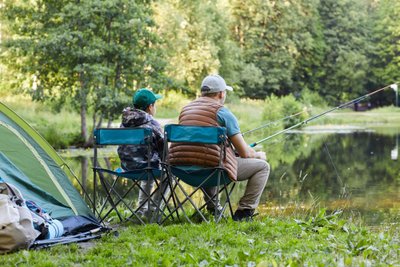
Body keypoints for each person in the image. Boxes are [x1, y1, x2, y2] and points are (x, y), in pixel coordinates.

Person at [169, 74, 270, 221]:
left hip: (182, 170)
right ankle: (244, 212)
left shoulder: (185, 110)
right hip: (213, 171)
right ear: (221, 93)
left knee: (205, 157)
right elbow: (244, 152)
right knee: (262, 167)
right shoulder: (222, 112)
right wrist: (259, 155)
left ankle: (213, 208)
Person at [117, 88, 164, 217]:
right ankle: (152, 209)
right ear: (150, 107)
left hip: (127, 168)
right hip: (147, 169)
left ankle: (141, 208)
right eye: (155, 105)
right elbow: (164, 150)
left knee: (148, 167)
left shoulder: (124, 123)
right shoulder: (152, 124)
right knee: (169, 174)